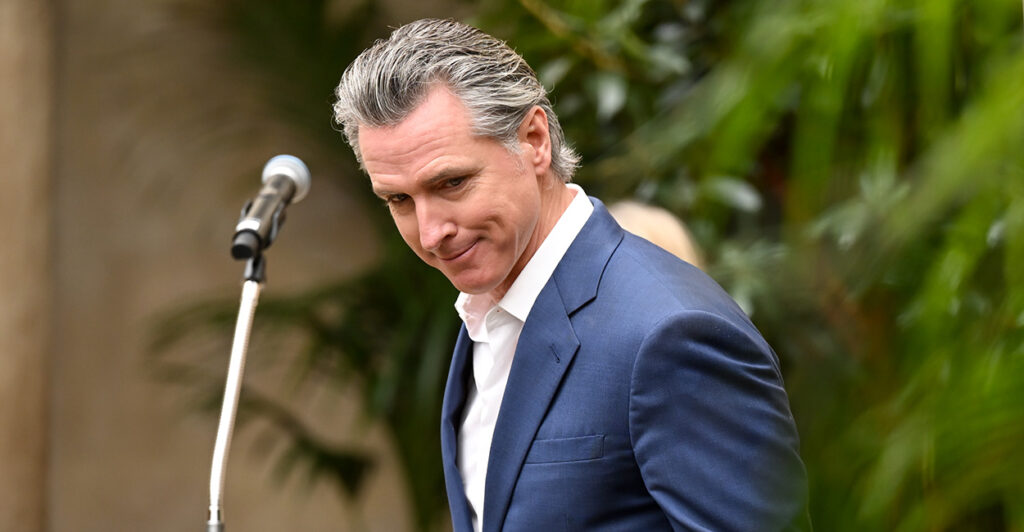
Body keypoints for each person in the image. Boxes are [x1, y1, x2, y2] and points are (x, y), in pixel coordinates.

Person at [333, 18, 808, 532]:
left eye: (451, 182)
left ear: (534, 140)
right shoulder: (488, 316)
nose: (430, 233)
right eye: (399, 200)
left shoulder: (670, 332)